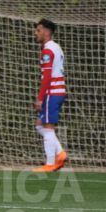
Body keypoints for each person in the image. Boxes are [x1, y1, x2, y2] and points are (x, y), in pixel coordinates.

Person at [32, 19, 68, 172]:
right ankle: (60, 154)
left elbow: (47, 76)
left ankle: (50, 163)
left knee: (47, 127)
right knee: (39, 125)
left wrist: (40, 98)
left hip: (52, 92)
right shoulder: (56, 47)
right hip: (58, 91)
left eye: (38, 30)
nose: (36, 33)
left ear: (47, 32)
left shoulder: (47, 50)